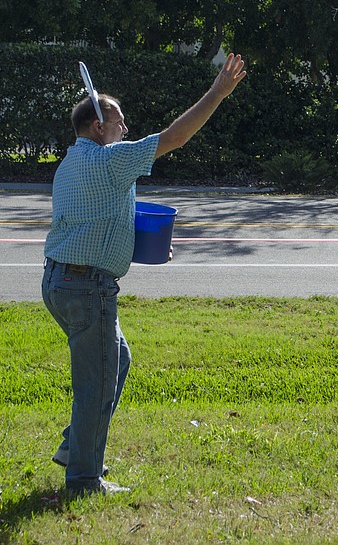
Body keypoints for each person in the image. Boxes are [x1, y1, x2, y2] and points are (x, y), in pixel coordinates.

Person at [42, 53, 247, 495]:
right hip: (86, 286)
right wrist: (218, 92)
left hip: (60, 281)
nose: (125, 130)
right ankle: (82, 479)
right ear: (99, 127)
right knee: (96, 384)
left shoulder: (71, 165)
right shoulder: (109, 159)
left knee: (117, 360)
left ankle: (73, 447)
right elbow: (175, 137)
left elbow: (93, 221)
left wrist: (139, 243)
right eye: (119, 122)